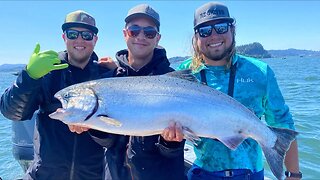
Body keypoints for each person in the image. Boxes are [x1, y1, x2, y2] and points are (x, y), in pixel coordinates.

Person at [177, 2, 301, 180]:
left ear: (232, 29)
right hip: (202, 173)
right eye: (205, 30)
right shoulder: (185, 74)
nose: (213, 36)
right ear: (196, 36)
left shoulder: (260, 72)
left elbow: (283, 123)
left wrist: (293, 175)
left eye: (220, 27)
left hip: (250, 174)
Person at [0, 10, 115, 179]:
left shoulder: (105, 77)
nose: (80, 40)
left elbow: (115, 134)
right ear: (64, 37)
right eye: (73, 34)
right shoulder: (47, 73)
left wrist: (118, 73)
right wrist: (29, 76)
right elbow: (12, 112)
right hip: (44, 175)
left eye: (87, 35)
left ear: (95, 40)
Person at [99, 4, 186, 180]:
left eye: (149, 32)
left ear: (157, 38)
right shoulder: (108, 80)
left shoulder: (175, 83)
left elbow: (172, 153)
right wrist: (92, 124)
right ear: (125, 34)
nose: (141, 36)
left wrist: (170, 142)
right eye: (134, 30)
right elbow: (108, 142)